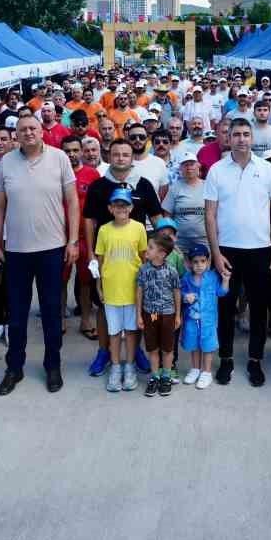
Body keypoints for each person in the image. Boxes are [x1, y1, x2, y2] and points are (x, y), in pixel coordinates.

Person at [0, 112, 79, 395]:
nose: (28, 132)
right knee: (16, 314)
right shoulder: (7, 162)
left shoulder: (59, 158)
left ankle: (52, 365)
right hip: (17, 251)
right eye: (23, 129)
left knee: (52, 313)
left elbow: (73, 201)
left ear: (42, 132)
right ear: (16, 134)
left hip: (52, 249)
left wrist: (73, 240)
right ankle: (14, 367)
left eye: (33, 128)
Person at [204, 118, 271, 387]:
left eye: (245, 134)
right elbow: (210, 214)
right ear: (228, 137)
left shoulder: (267, 170)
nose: (240, 139)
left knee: (259, 309)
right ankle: (226, 359)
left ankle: (255, 360)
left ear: (252, 138)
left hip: (260, 250)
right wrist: (215, 253)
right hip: (227, 251)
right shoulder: (216, 170)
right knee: (225, 308)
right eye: (235, 134)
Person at [81, 138, 163, 377]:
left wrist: (164, 249)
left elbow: (157, 218)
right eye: (116, 154)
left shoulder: (144, 185)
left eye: (125, 155)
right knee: (105, 305)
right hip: (108, 257)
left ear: (132, 157)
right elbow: (89, 220)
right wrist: (91, 255)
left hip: (135, 259)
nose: (120, 158)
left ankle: (134, 351)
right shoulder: (98, 186)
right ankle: (104, 351)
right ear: (109, 156)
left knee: (135, 306)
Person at [96, 186, 146, 393]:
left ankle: (130, 366)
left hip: (133, 291)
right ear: (110, 208)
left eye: (125, 204)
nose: (121, 208)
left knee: (132, 332)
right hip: (112, 291)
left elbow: (143, 259)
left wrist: (142, 289)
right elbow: (100, 261)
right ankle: (116, 367)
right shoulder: (104, 230)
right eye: (117, 205)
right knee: (114, 332)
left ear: (131, 207)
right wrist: (99, 287)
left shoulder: (139, 228)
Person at [135, 235, 182, 396]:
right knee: (152, 347)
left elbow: (177, 292)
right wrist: (139, 315)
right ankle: (155, 376)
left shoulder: (172, 271)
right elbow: (139, 291)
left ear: (162, 254)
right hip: (152, 315)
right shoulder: (143, 270)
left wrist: (177, 315)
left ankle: (166, 376)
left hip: (168, 315)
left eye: (150, 247)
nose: (147, 250)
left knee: (167, 347)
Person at [67, 135, 102, 338]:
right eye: (67, 151)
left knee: (86, 280)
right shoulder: (57, 173)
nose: (71, 154)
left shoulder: (92, 174)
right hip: (61, 235)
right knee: (60, 280)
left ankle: (86, 320)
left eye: (74, 150)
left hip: (85, 235)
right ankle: (60, 317)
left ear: (80, 151)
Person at [180, 245, 229, 387]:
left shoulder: (212, 277)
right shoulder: (187, 278)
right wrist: (185, 297)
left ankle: (206, 372)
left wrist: (225, 280)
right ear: (189, 263)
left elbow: (221, 292)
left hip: (208, 320)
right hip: (191, 320)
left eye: (203, 261)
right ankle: (195, 369)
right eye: (195, 262)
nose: (199, 265)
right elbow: (180, 293)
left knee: (207, 345)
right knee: (194, 344)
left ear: (208, 262)